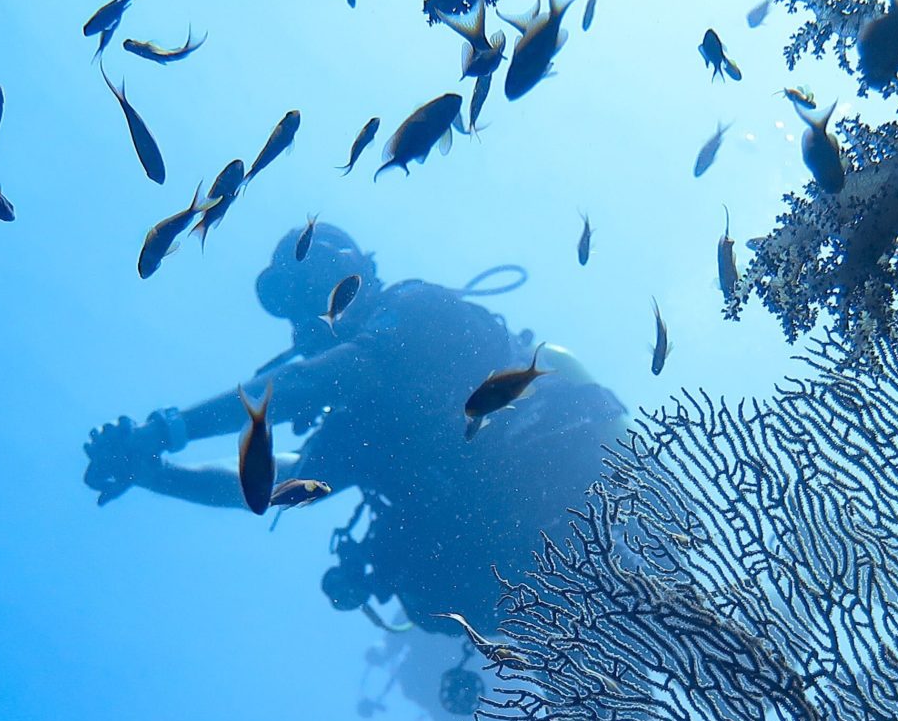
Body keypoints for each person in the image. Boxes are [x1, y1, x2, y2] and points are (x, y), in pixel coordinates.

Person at [84, 224, 627, 676]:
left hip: (586, 504)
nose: (304, 318)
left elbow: (323, 379)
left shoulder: (418, 312)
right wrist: (155, 475)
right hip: (527, 580)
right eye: (293, 305)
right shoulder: (358, 425)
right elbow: (271, 485)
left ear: (355, 276)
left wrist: (168, 430)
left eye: (312, 291)